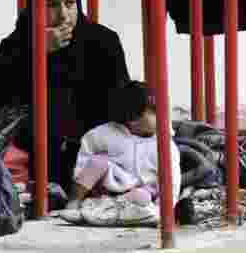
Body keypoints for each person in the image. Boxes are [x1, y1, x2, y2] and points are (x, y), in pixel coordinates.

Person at [0, 0, 131, 189]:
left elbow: (121, 101)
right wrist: (36, 51)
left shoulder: (103, 41)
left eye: (69, 3)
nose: (63, 14)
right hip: (36, 146)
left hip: (92, 148)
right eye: (52, 5)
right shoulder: (19, 41)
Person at [56, 81, 181, 223]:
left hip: (138, 193)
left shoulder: (165, 144)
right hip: (107, 185)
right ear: (133, 119)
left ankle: (105, 208)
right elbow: (85, 156)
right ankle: (74, 203)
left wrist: (163, 207)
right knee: (98, 162)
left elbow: (172, 178)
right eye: (154, 112)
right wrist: (83, 181)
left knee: (142, 196)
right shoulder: (104, 134)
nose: (162, 117)